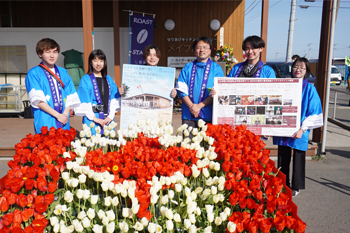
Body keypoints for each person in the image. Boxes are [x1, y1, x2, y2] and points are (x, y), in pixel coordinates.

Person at [273, 57, 323, 197]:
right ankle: (283, 183)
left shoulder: (310, 89)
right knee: (283, 156)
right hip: (284, 128)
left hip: (300, 128)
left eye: (302, 68)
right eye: (296, 67)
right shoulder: (285, 85)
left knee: (299, 157)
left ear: (306, 71)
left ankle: (296, 186)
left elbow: (314, 111)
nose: (298, 70)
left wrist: (302, 129)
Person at [25, 38, 80, 134]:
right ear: (40, 54)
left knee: (64, 147)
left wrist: (65, 114)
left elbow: (70, 95)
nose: (52, 55)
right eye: (48, 52)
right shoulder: (33, 73)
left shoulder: (63, 72)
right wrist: (58, 116)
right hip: (45, 120)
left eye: (55, 52)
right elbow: (38, 101)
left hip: (64, 120)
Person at [176, 36, 224, 129]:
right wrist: (192, 107)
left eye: (205, 47)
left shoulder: (217, 69)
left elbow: (217, 92)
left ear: (210, 51)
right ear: (194, 51)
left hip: (209, 115)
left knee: (207, 143)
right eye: (198, 47)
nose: (202, 50)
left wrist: (199, 106)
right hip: (189, 115)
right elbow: (181, 90)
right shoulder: (187, 68)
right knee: (188, 143)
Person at [75, 49, 121, 135]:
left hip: (108, 119)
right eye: (95, 60)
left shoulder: (109, 79)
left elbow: (114, 98)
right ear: (90, 62)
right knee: (93, 145)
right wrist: (95, 119)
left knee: (108, 145)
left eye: (101, 60)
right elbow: (84, 100)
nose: (98, 64)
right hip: (92, 119)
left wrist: (110, 116)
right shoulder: (85, 79)